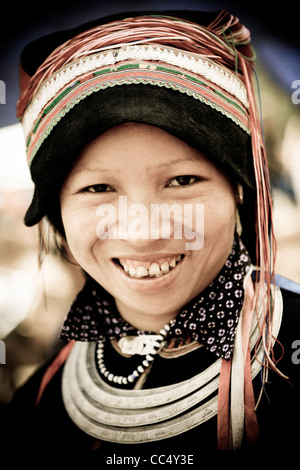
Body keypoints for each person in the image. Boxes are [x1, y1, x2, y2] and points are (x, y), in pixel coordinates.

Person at [3, 9, 300, 455]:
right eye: (98, 188)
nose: (142, 233)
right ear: (56, 212)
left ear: (238, 187)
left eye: (182, 182)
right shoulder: (45, 388)